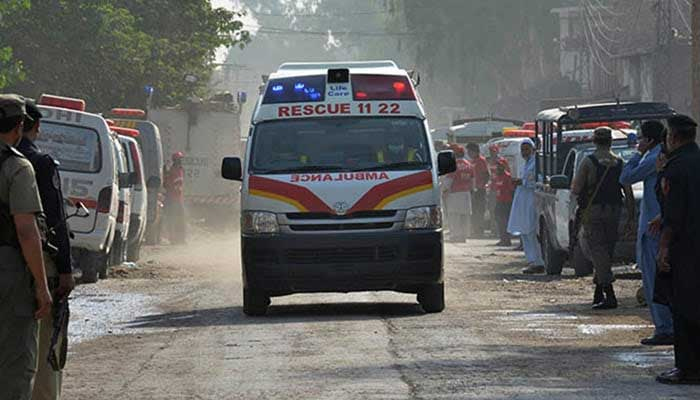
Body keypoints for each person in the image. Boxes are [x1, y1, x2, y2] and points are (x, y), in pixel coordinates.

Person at [17, 100, 74, 400]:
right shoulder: (38, 163)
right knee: (44, 351)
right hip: (37, 265)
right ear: (34, 127)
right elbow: (55, 220)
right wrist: (65, 270)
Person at [0, 94, 52, 400]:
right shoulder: (17, 167)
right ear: (19, 126)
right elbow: (26, 231)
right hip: (8, 272)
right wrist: (42, 286)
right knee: (15, 363)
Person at [654, 115, 700, 385]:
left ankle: (687, 367)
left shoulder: (675, 168)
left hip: (685, 247)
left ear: (673, 137)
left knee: (683, 308)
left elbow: (673, 215)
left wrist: (663, 249)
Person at [618, 120, 673, 345]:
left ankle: (664, 328)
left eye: (640, 138)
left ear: (649, 140)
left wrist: (634, 155)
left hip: (654, 227)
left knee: (653, 278)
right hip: (654, 223)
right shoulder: (659, 155)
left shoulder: (652, 158)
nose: (638, 141)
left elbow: (626, 177)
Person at [571, 127, 635, 310]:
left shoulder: (588, 162)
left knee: (598, 250)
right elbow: (628, 193)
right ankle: (598, 293)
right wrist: (631, 218)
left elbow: (576, 189)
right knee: (607, 251)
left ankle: (610, 294)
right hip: (614, 212)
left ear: (594, 141)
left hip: (594, 212)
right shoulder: (620, 162)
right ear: (610, 141)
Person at [507, 139, 544, 273]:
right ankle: (532, 261)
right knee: (525, 232)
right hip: (523, 201)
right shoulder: (527, 163)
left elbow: (537, 180)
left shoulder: (536, 163)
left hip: (531, 200)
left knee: (531, 231)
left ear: (533, 149)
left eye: (527, 149)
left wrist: (521, 181)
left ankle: (537, 261)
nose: (524, 152)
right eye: (522, 150)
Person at [443, 144, 472, 242]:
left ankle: (455, 236)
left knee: (454, 215)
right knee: (464, 215)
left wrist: (443, 191)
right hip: (466, 193)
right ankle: (464, 235)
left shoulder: (453, 165)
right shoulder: (468, 164)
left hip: (454, 193)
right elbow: (473, 179)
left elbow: (448, 181)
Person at [466, 143, 489, 237]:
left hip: (480, 189)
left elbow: (486, 174)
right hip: (473, 189)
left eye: (469, 151)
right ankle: (475, 229)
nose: (468, 153)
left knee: (479, 210)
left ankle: (479, 230)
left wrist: (482, 185)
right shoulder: (472, 161)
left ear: (474, 151)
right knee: (474, 210)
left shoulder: (481, 160)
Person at [490, 160, 514, 246]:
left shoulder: (507, 177)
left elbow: (511, 189)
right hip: (499, 201)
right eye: (497, 166)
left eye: (500, 166)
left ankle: (507, 240)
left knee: (505, 221)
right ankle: (502, 238)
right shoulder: (497, 177)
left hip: (506, 202)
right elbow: (493, 187)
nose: (498, 168)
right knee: (499, 221)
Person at [164, 152, 186, 244]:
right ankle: (175, 239)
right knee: (174, 219)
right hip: (173, 199)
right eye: (179, 159)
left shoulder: (178, 170)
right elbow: (169, 184)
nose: (180, 161)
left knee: (179, 219)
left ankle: (179, 239)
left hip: (177, 199)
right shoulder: (174, 170)